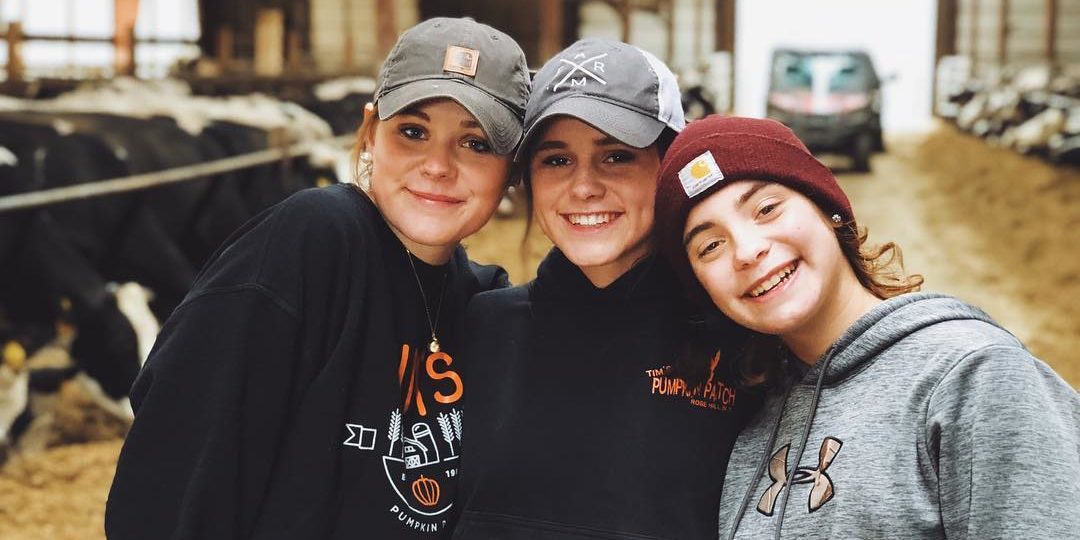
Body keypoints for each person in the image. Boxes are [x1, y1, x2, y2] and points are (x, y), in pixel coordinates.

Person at [105, 17, 530, 539]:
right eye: (413, 132)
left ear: (512, 169)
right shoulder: (315, 241)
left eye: (476, 143)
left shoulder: (484, 305)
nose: (438, 165)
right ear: (371, 132)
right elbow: (174, 468)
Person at [653, 115, 1080, 539]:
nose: (746, 251)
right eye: (710, 245)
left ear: (828, 210)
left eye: (767, 209)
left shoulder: (974, 376)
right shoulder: (756, 409)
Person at [453, 38, 756, 540]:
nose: (585, 186)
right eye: (556, 160)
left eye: (616, 156)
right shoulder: (479, 324)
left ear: (667, 168)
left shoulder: (739, 337)